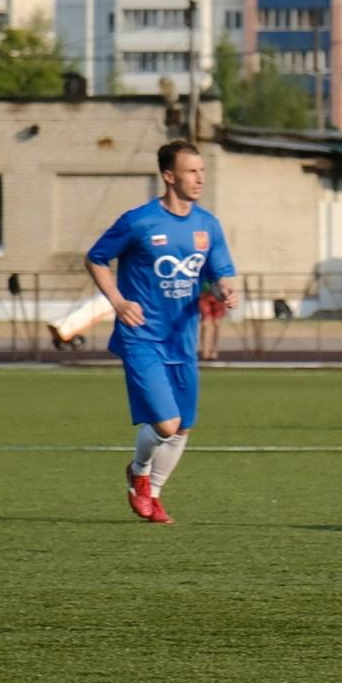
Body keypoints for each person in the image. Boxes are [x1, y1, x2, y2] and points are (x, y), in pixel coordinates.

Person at [85, 139, 239, 525]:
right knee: (166, 424)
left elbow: (222, 272)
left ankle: (152, 493)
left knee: (184, 426)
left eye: (202, 170)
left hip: (182, 338)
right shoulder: (139, 221)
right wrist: (118, 303)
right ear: (169, 176)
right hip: (142, 337)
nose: (200, 178)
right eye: (191, 171)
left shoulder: (208, 224)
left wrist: (225, 288)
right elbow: (96, 258)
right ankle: (138, 471)